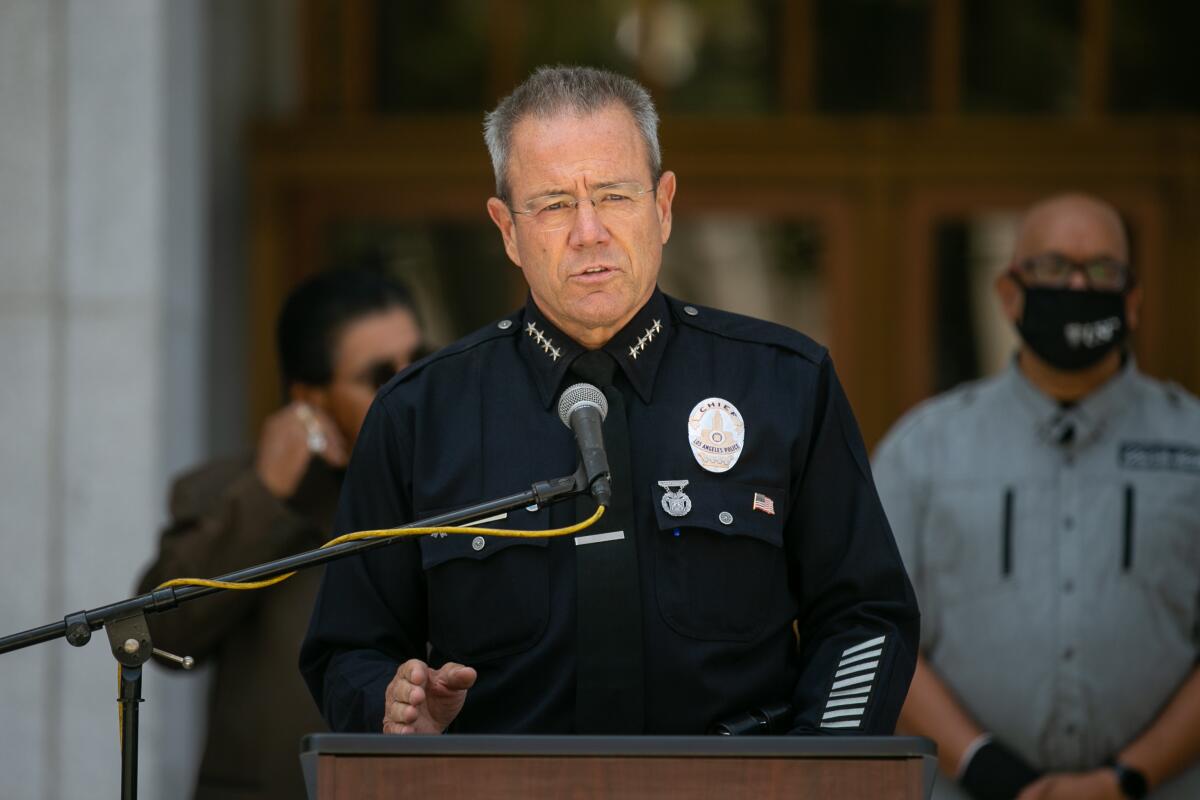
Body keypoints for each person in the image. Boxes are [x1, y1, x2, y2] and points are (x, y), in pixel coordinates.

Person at [300, 65, 919, 738]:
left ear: (664, 206)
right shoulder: (419, 416)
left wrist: (813, 773)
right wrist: (390, 710)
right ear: (507, 228)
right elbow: (347, 650)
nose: (588, 231)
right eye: (555, 204)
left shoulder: (784, 383)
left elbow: (865, 618)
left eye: (615, 196)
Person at [872, 193, 1200, 800]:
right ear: (1008, 293)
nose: (1077, 286)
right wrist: (985, 767)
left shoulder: (1193, 444)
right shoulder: (924, 450)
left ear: (1132, 301)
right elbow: (871, 629)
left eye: (1101, 270)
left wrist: (1127, 778)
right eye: (1053, 267)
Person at [137, 269, 423, 800]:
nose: (409, 388)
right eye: (380, 375)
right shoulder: (235, 494)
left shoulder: (464, 485)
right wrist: (267, 494)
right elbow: (156, 634)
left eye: (419, 363)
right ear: (310, 399)